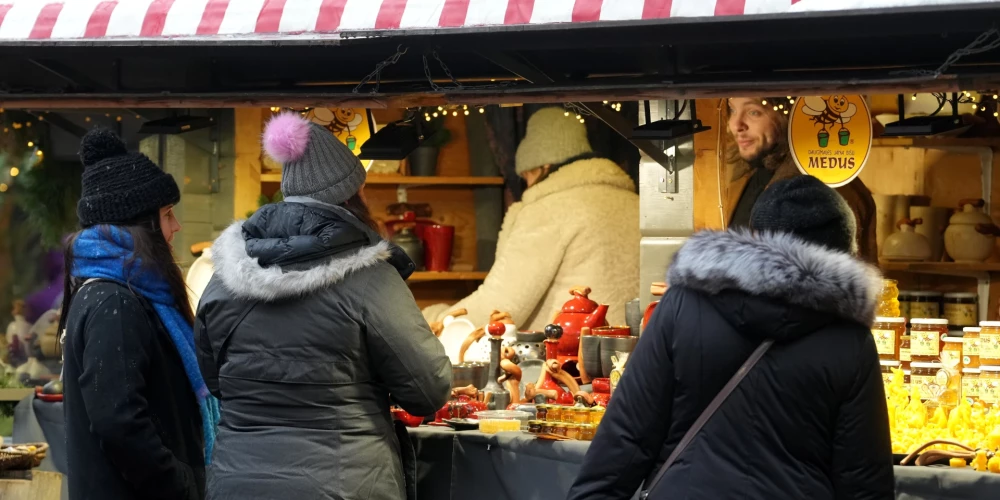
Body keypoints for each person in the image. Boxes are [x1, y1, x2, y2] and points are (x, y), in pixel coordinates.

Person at [567, 175, 894, 500]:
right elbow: (863, 480)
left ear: (754, 239)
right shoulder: (850, 341)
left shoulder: (683, 305)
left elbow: (626, 437)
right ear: (844, 253)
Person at [196, 112, 451, 500]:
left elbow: (216, 382)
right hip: (346, 484)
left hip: (238, 483)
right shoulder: (371, 278)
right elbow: (428, 390)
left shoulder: (225, 277)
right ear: (351, 196)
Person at [61, 129, 215, 500]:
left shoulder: (119, 294)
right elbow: (118, 420)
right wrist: (179, 483)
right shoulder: (115, 303)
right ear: (139, 224)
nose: (176, 227)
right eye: (167, 215)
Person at [423, 106, 641, 331]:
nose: (526, 184)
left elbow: (500, 305)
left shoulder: (551, 209)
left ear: (543, 166)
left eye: (526, 175)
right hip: (632, 352)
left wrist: (431, 319)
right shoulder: (636, 204)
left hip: (565, 355)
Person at [725, 97, 878, 263]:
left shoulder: (820, 187)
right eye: (732, 110)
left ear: (790, 116)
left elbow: (827, 280)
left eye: (754, 112)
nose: (735, 125)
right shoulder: (748, 177)